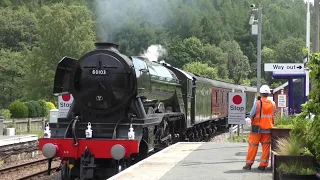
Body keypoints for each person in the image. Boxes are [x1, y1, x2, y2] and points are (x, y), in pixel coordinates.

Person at [243, 84, 276, 171]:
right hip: (268, 128)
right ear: (268, 94)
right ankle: (263, 165)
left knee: (253, 146)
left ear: (260, 93)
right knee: (266, 147)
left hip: (256, 129)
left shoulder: (257, 103)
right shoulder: (273, 104)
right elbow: (273, 115)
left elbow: (251, 114)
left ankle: (248, 165)